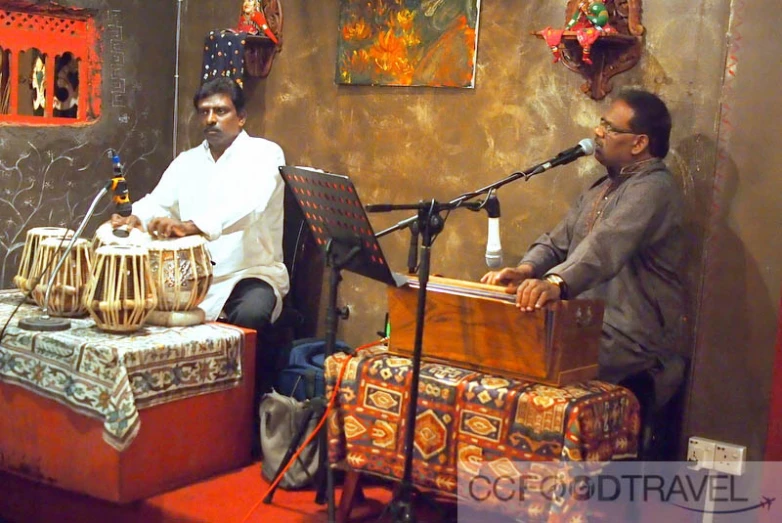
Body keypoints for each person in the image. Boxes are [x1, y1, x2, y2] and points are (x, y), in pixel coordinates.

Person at [482, 89, 686, 415]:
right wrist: (525, 270)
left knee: (521, 358)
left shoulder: (654, 189)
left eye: (610, 127)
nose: (598, 132)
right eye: (600, 124)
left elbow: (605, 246)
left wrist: (556, 284)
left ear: (639, 143)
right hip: (585, 326)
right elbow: (557, 240)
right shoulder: (602, 187)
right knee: (494, 338)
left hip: (627, 338)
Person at [111, 77, 289, 392]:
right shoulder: (187, 161)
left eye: (221, 111)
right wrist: (135, 218)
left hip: (251, 272)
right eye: (204, 112)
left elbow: (251, 207)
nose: (211, 119)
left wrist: (192, 226)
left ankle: (247, 403)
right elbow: (157, 201)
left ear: (241, 117)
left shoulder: (265, 155)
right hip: (195, 278)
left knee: (252, 312)